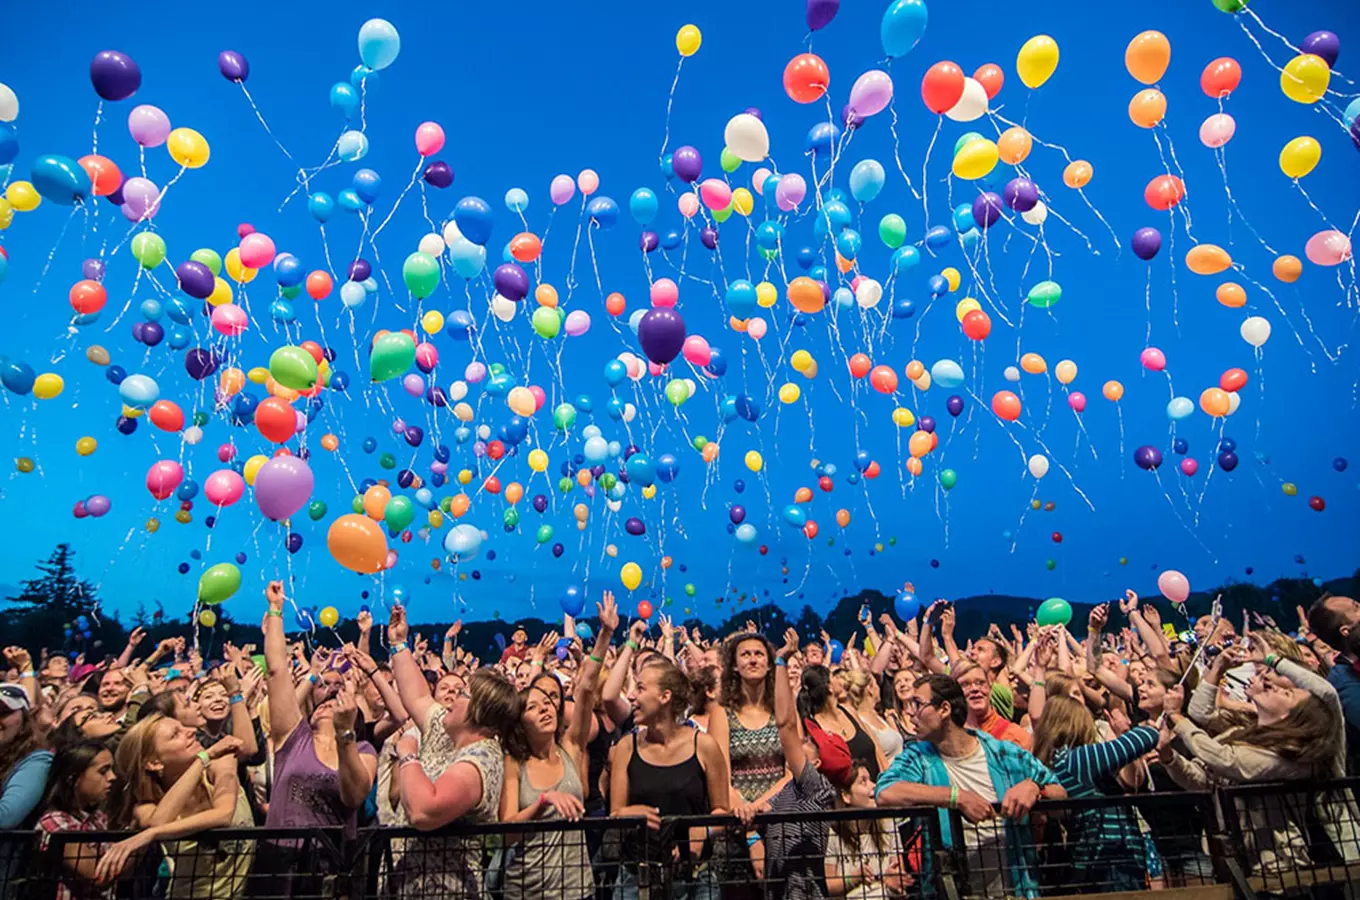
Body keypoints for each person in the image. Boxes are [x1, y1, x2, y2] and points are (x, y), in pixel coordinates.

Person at [1160, 637, 1360, 873]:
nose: (1270, 683)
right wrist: (1169, 758)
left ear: (1292, 716)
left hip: (1288, 868)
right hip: (1234, 861)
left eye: (1287, 693)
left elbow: (1229, 760)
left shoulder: (1296, 753)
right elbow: (1202, 774)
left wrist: (1272, 659)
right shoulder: (1241, 731)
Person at [876, 674, 1066, 899]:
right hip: (953, 890)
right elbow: (885, 792)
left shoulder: (1003, 753)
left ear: (944, 709)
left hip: (1015, 888)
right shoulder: (918, 757)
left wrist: (1035, 788)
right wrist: (955, 797)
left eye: (918, 704)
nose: (909, 712)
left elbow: (1060, 796)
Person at [388, 602, 521, 897]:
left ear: (477, 710)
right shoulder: (448, 733)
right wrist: (398, 644)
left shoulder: (482, 758)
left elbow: (424, 811)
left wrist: (408, 753)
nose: (452, 699)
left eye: (462, 693)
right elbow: (418, 696)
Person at [257, 580, 377, 889]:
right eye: (321, 702)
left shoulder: (363, 748)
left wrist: (345, 732)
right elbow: (276, 671)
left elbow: (354, 795)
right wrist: (275, 610)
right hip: (278, 861)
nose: (327, 703)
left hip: (333, 864)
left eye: (335, 702)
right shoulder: (293, 737)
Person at [498, 592, 616, 900]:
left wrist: (605, 634)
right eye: (534, 707)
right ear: (520, 721)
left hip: (577, 890)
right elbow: (507, 833)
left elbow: (587, 687)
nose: (546, 708)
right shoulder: (514, 761)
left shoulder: (571, 747)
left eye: (550, 702)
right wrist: (543, 803)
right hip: (525, 889)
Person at [610, 656, 730, 900]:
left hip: (694, 879)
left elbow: (722, 811)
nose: (632, 696)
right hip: (637, 879)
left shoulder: (704, 745)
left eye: (641, 688)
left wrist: (702, 832)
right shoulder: (626, 747)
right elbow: (615, 813)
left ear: (665, 697)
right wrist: (632, 813)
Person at [101, 715, 254, 898]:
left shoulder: (221, 763)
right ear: (154, 763)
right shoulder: (146, 807)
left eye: (184, 727)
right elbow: (159, 822)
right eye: (176, 734)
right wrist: (203, 758)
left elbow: (223, 814)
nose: (191, 731)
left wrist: (150, 834)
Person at [1031, 696, 1160, 892]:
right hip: (1112, 861)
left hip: (1087, 861)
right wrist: (1125, 730)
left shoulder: (1055, 762)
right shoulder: (1079, 759)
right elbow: (1148, 737)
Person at [755, 629, 844, 900]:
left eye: (805, 745)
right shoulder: (788, 790)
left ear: (816, 762)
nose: (797, 744)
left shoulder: (813, 786)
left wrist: (780, 663)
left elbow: (786, 725)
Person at [36, 739, 118, 900]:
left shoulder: (98, 818)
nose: (113, 777)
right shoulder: (55, 821)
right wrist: (143, 837)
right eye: (103, 771)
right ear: (73, 779)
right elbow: (97, 873)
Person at [824, 764, 909, 900]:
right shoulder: (834, 833)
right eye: (863, 782)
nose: (873, 785)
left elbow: (899, 877)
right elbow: (827, 886)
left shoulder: (888, 823)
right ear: (846, 796)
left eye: (871, 779)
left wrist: (895, 883)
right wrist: (853, 879)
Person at [800, 667, 887, 782]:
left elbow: (877, 749)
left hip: (878, 788)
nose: (838, 678)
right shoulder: (814, 729)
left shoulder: (849, 711)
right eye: (833, 676)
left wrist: (889, 782)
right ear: (829, 687)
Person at [954, 664, 1030, 751]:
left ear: (990, 689)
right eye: (965, 684)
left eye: (980, 683)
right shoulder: (948, 738)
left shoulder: (1015, 737)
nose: (974, 689)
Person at [844, 670, 903, 767]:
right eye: (876, 684)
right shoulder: (861, 722)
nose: (878, 688)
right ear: (870, 689)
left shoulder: (878, 716)